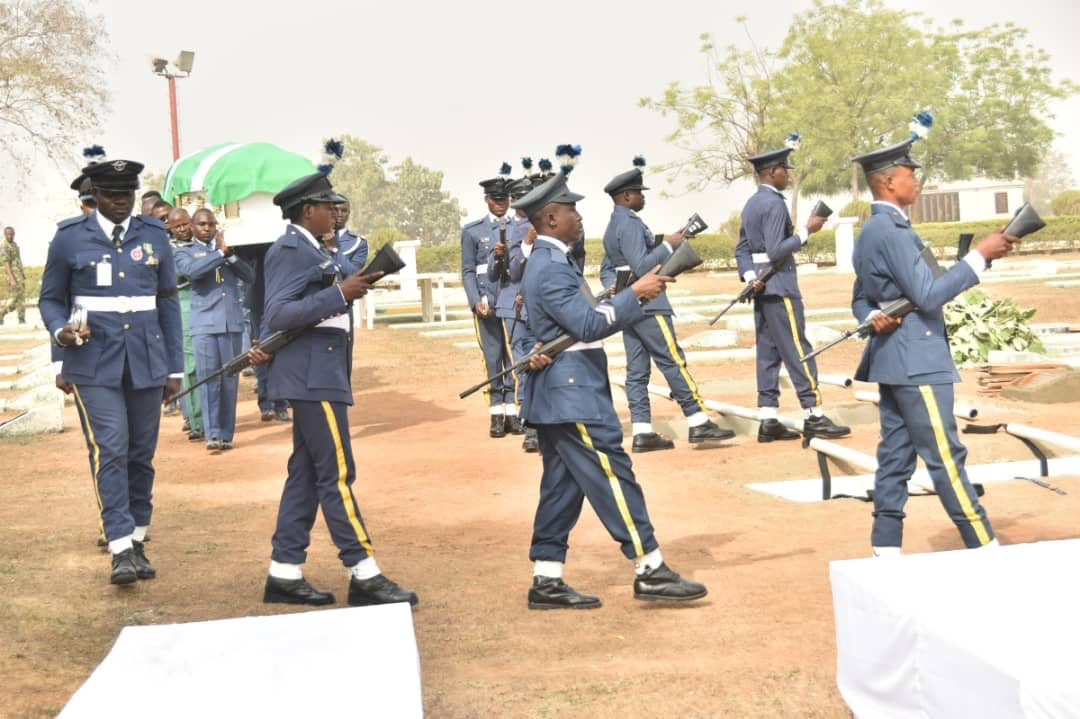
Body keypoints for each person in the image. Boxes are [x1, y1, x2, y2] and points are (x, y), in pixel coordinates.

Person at [514, 160, 708, 610]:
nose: (580, 217)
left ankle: (546, 579)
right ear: (550, 218)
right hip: (572, 395)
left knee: (562, 488)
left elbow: (539, 327)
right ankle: (650, 567)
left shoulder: (548, 262)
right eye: (571, 210)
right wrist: (634, 295)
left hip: (561, 395)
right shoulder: (552, 266)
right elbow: (585, 324)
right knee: (614, 476)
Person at [251, 171, 416, 608]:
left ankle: (284, 572)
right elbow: (279, 314)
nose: (335, 211)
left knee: (305, 475)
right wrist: (340, 293)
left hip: (321, 371)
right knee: (337, 473)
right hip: (312, 374)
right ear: (308, 211)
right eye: (328, 205)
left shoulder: (313, 247)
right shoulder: (290, 249)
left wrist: (349, 284)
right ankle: (363, 572)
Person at [850, 138, 1016, 556]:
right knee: (946, 454)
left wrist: (871, 316)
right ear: (888, 182)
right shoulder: (892, 231)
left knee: (895, 458)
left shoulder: (873, 230)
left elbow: (862, 297)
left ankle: (885, 548)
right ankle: (983, 544)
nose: (917, 181)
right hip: (917, 361)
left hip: (895, 361)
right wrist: (978, 258)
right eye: (911, 175)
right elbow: (926, 296)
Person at [38, 157, 183, 585]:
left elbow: (168, 302)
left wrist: (174, 367)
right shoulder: (68, 238)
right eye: (111, 195)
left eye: (127, 194)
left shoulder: (154, 235)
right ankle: (119, 544)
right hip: (91, 361)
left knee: (142, 452)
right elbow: (51, 299)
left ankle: (137, 535)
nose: (121, 202)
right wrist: (58, 335)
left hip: (146, 359)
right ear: (94, 195)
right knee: (112, 447)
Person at [600, 159, 734, 452]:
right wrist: (670, 245)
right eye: (639, 192)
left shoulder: (614, 225)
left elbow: (606, 269)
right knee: (672, 360)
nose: (643, 196)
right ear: (626, 197)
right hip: (650, 303)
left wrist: (617, 290)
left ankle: (643, 431)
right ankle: (698, 421)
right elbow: (643, 264)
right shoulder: (630, 223)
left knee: (637, 371)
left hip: (630, 305)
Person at [735, 141, 850, 442]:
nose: (787, 175)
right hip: (780, 285)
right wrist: (807, 230)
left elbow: (742, 249)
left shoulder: (751, 204)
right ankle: (814, 413)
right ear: (772, 172)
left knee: (768, 353)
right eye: (784, 170)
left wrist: (750, 276)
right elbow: (775, 251)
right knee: (799, 349)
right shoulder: (774, 203)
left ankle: (768, 416)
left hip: (761, 288)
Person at [174, 209, 254, 451]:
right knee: (208, 380)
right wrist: (220, 253)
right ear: (192, 227)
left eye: (211, 224)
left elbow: (249, 276)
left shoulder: (230, 250)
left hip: (231, 324)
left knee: (230, 380)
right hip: (205, 325)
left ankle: (226, 434)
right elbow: (193, 271)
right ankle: (212, 434)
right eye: (202, 224)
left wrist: (230, 256)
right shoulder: (184, 251)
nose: (207, 228)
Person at [462, 164, 516, 437]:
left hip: (512, 298)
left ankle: (514, 408)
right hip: (486, 299)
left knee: (515, 353)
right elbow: (468, 271)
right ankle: (496, 410)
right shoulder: (473, 231)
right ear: (486, 200)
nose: (501, 204)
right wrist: (474, 301)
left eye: (505, 199)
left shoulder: (519, 227)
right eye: (496, 200)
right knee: (493, 356)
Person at [488, 167, 539, 447]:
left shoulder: (542, 225)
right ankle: (530, 425)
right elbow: (502, 274)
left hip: (540, 306)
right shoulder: (506, 231)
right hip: (516, 308)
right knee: (523, 366)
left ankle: (544, 421)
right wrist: (526, 247)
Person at [165, 208, 205, 440]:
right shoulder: (170, 250)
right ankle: (195, 420)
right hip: (183, 307)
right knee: (190, 366)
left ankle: (209, 419)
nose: (182, 229)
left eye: (185, 224)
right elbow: (187, 272)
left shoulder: (202, 244)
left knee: (209, 365)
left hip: (205, 307)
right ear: (170, 228)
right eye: (176, 226)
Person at [331, 197, 369, 269]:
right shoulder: (314, 238)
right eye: (335, 210)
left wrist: (334, 249)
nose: (339, 214)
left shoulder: (358, 243)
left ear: (349, 213)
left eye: (344, 211)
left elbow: (353, 274)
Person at [2, 226, 25, 325]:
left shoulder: (15, 245)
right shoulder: (4, 246)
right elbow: (6, 263)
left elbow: (18, 261)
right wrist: (12, 279)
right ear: (5, 234)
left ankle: (21, 319)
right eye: (8, 234)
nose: (10, 236)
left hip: (19, 275)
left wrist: (22, 274)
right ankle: (2, 313)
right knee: (17, 298)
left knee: (21, 298)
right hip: (13, 276)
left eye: (11, 234)